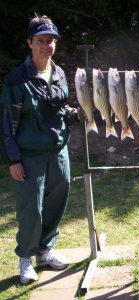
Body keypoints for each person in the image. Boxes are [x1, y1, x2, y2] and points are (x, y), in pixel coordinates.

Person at [0, 15, 75, 283]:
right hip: (29, 156)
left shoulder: (59, 73)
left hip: (58, 152)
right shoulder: (16, 80)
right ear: (29, 42)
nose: (48, 46)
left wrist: (72, 114)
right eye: (42, 41)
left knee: (57, 202)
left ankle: (45, 251)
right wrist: (13, 160)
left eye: (52, 40)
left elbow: (56, 108)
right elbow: (6, 124)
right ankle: (25, 259)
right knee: (31, 209)